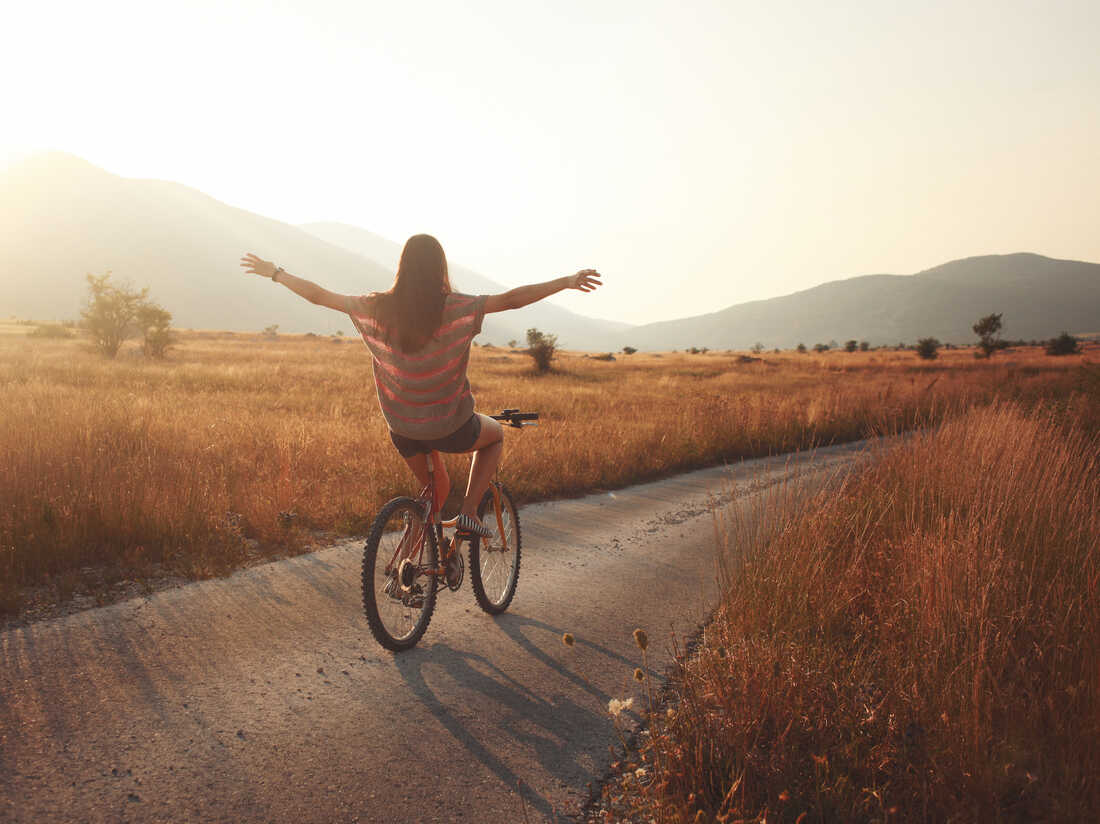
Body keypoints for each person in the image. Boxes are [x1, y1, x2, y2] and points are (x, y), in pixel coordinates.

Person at [239, 234, 601, 536]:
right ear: (440, 269)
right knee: (495, 436)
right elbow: (511, 300)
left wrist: (275, 273)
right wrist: (566, 281)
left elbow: (319, 296)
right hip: (452, 428)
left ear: (402, 268)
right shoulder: (458, 307)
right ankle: (471, 514)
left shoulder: (376, 307)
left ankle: (408, 567)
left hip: (402, 428)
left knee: (434, 492)